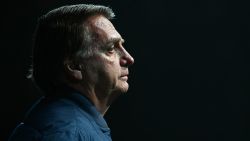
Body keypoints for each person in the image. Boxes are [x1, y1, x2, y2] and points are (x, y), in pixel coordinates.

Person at [8, 4, 134, 141]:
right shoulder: (67, 133)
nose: (129, 58)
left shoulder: (71, 125)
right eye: (111, 48)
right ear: (74, 66)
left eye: (122, 45)